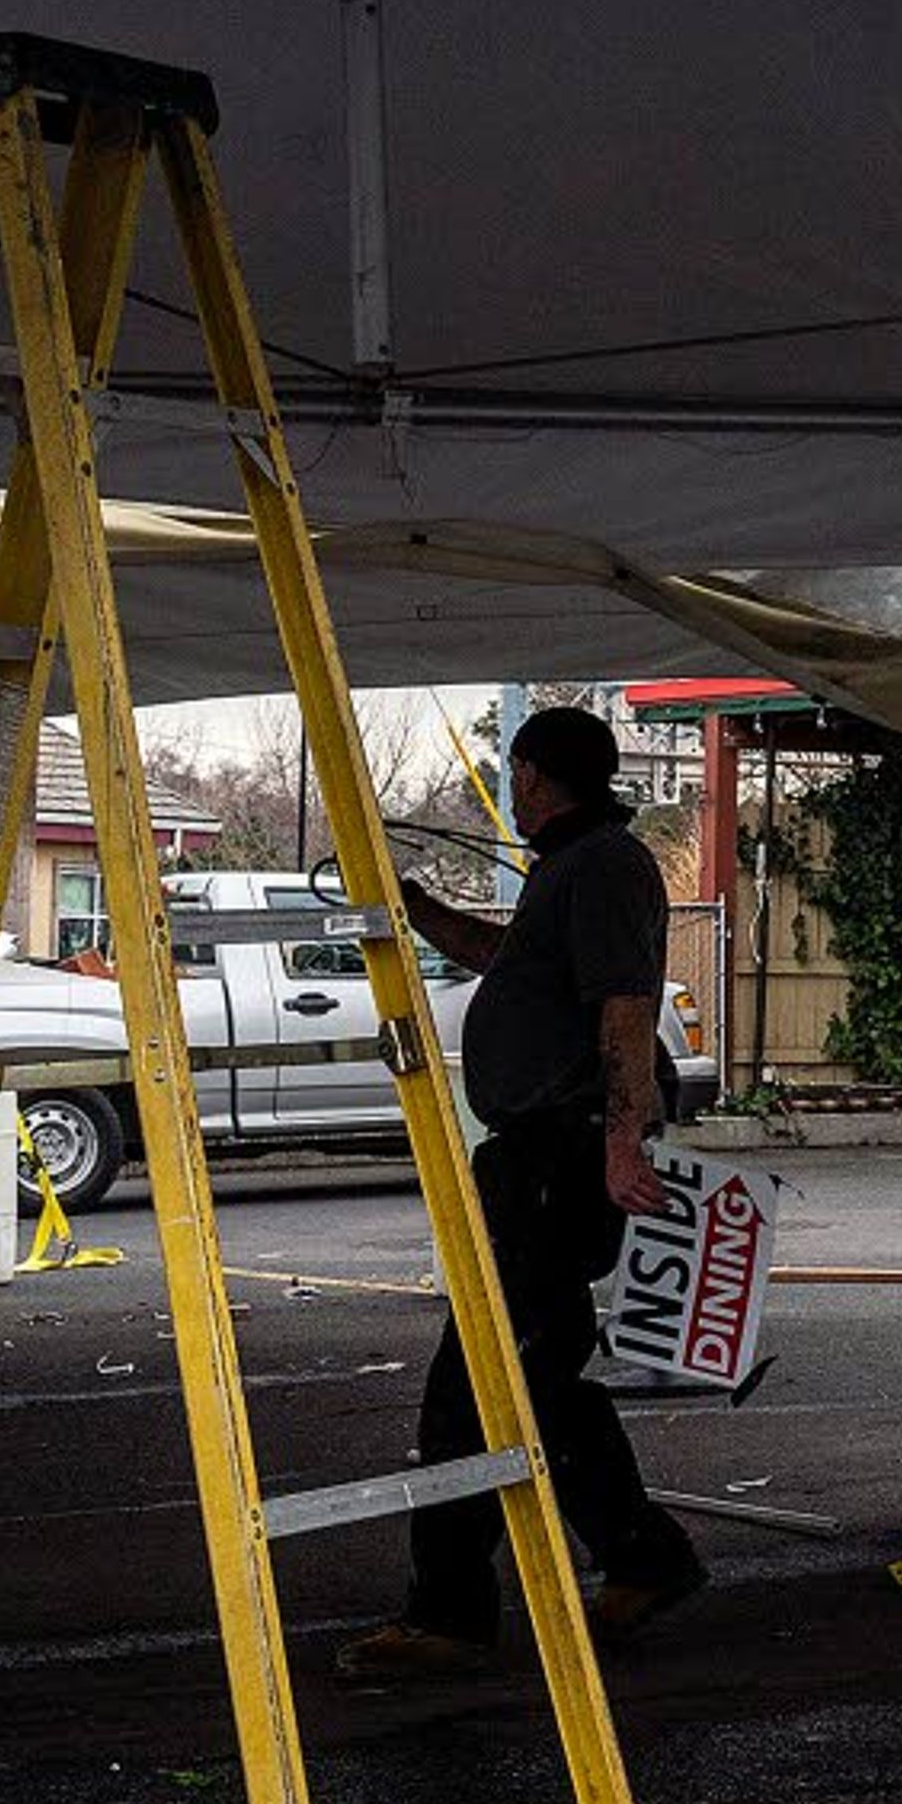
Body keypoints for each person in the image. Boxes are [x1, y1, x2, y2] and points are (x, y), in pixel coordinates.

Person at [335, 704, 705, 1680]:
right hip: (540, 1154)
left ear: (536, 776)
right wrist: (418, 911)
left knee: (475, 1387)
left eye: (518, 772)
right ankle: (645, 1557)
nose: (513, 785)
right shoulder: (570, 870)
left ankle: (450, 1609)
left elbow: (626, 1015)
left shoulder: (606, 869)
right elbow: (515, 964)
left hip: (563, 1155)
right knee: (544, 1377)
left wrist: (623, 1144)